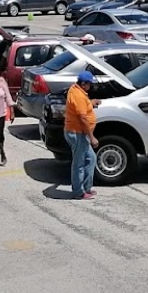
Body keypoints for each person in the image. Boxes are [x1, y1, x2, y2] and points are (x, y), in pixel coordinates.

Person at [64, 70, 100, 200]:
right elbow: (83, 118)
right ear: (84, 84)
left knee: (91, 158)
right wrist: (92, 137)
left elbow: (81, 106)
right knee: (79, 163)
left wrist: (90, 103)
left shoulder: (76, 90)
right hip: (77, 133)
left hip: (78, 133)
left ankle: (86, 187)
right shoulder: (78, 95)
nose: (91, 87)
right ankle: (78, 192)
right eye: (90, 84)